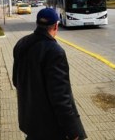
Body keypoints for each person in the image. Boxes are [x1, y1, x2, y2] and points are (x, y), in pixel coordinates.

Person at [13, 8, 87, 140]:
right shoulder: (55, 51)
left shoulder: (21, 43)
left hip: (29, 121)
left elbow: (16, 81)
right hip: (51, 128)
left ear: (37, 24)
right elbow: (61, 98)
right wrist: (73, 131)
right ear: (56, 26)